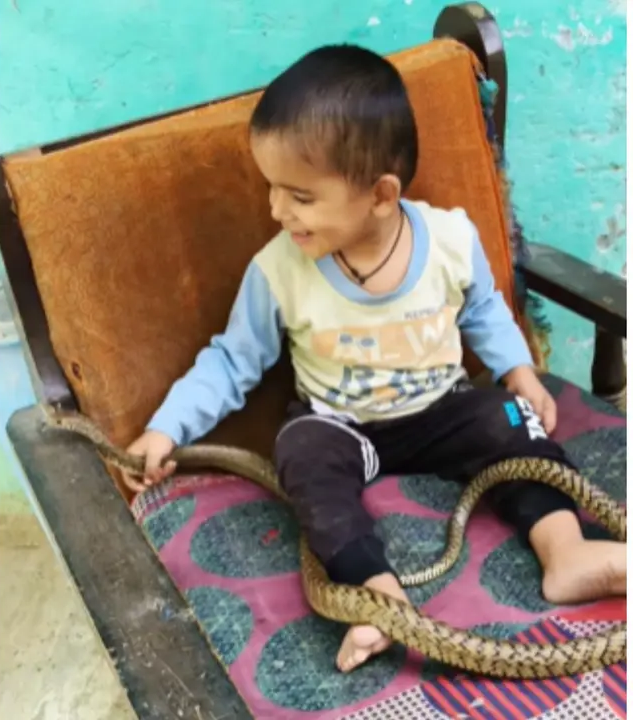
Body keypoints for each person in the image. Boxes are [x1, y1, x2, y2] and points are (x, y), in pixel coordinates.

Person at [125, 44, 626, 673]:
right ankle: (375, 595)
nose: (277, 211)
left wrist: (519, 372)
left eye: (299, 196)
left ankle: (567, 550)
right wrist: (166, 427)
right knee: (301, 453)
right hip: (339, 424)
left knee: (511, 421)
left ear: (381, 195)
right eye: (272, 190)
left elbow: (484, 310)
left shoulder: (448, 240)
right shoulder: (279, 269)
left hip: (443, 410)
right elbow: (232, 361)